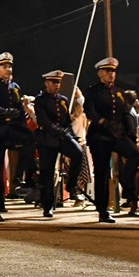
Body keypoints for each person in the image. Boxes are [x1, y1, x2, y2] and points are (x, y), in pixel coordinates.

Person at [83, 57, 139, 223]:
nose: (111, 74)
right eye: (108, 71)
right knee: (102, 173)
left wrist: (130, 134)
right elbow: (90, 112)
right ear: (100, 73)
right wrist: (105, 123)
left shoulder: (119, 92)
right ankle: (103, 210)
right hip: (100, 136)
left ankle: (127, 184)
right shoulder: (92, 91)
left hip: (117, 134)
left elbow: (125, 114)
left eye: (113, 71)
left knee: (135, 154)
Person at [0, 52, 34, 222]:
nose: (8, 69)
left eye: (10, 66)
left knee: (30, 141)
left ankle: (22, 179)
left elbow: (18, 108)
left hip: (12, 128)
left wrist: (23, 127)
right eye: (4, 67)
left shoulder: (15, 87)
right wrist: (4, 112)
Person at [33, 70, 84, 218]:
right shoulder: (40, 100)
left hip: (62, 137)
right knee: (47, 174)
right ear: (46, 83)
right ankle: (47, 206)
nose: (57, 85)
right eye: (54, 82)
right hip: (47, 139)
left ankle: (72, 185)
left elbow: (67, 121)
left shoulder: (63, 100)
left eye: (58, 82)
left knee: (78, 153)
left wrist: (72, 136)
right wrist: (61, 132)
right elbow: (44, 121)